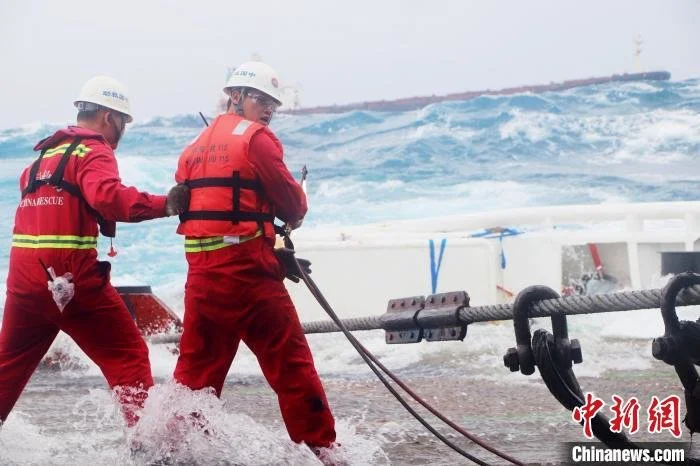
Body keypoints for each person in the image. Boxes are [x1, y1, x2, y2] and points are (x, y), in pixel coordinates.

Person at [0, 76, 189, 428]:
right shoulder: (94, 149)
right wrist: (167, 204)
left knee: (7, 367)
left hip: (24, 282)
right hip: (69, 281)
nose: (121, 132)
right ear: (108, 117)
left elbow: (56, 207)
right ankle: (149, 442)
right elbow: (108, 198)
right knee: (128, 355)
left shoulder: (43, 157)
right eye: (123, 123)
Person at [172, 61, 338, 460]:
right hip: (248, 279)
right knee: (292, 367)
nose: (267, 110)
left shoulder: (192, 147)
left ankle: (177, 449)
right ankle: (323, 451)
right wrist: (291, 215)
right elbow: (291, 202)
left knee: (195, 378)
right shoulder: (257, 139)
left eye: (272, 105)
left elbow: (206, 212)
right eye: (261, 99)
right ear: (236, 97)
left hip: (202, 281)